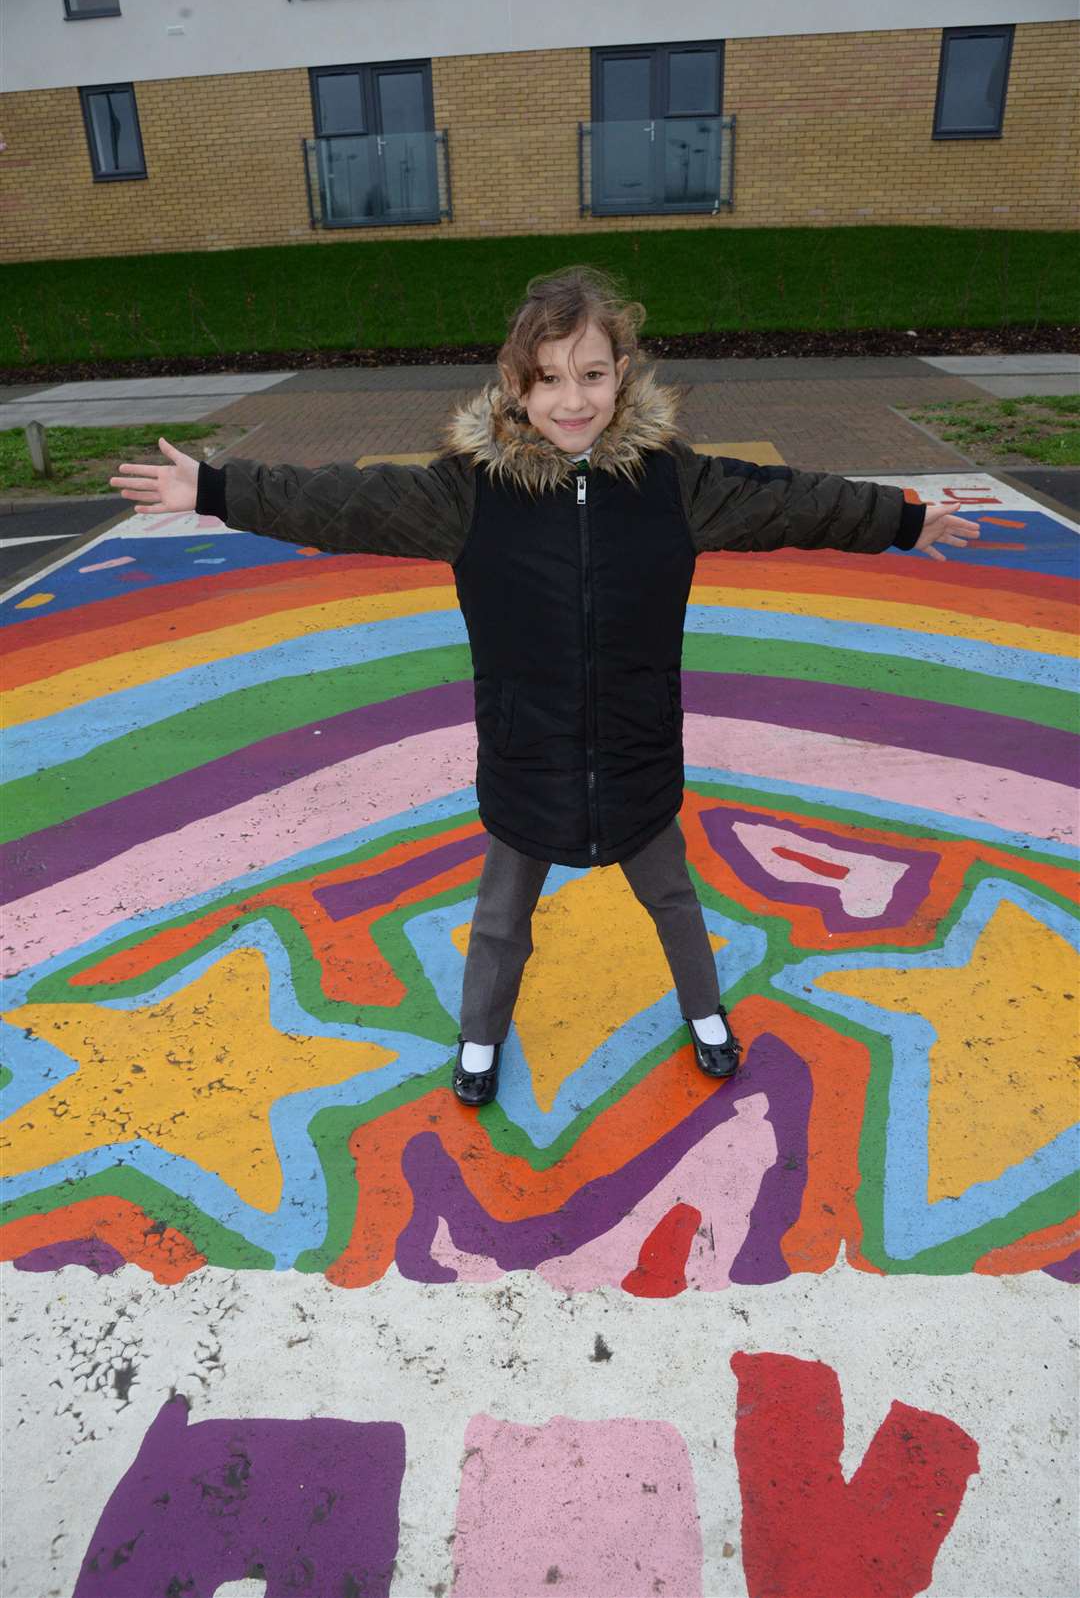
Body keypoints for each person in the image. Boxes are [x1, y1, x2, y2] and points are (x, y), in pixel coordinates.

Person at [110, 265, 977, 1108]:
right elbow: (343, 502)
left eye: (592, 375)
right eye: (550, 379)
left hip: (635, 750)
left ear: (621, 376)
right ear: (515, 387)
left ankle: (705, 1012)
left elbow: (796, 501)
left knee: (673, 895)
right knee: (499, 922)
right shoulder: (469, 496)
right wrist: (218, 487)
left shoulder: (676, 485)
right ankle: (480, 1038)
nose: (574, 399)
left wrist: (901, 518)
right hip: (528, 757)